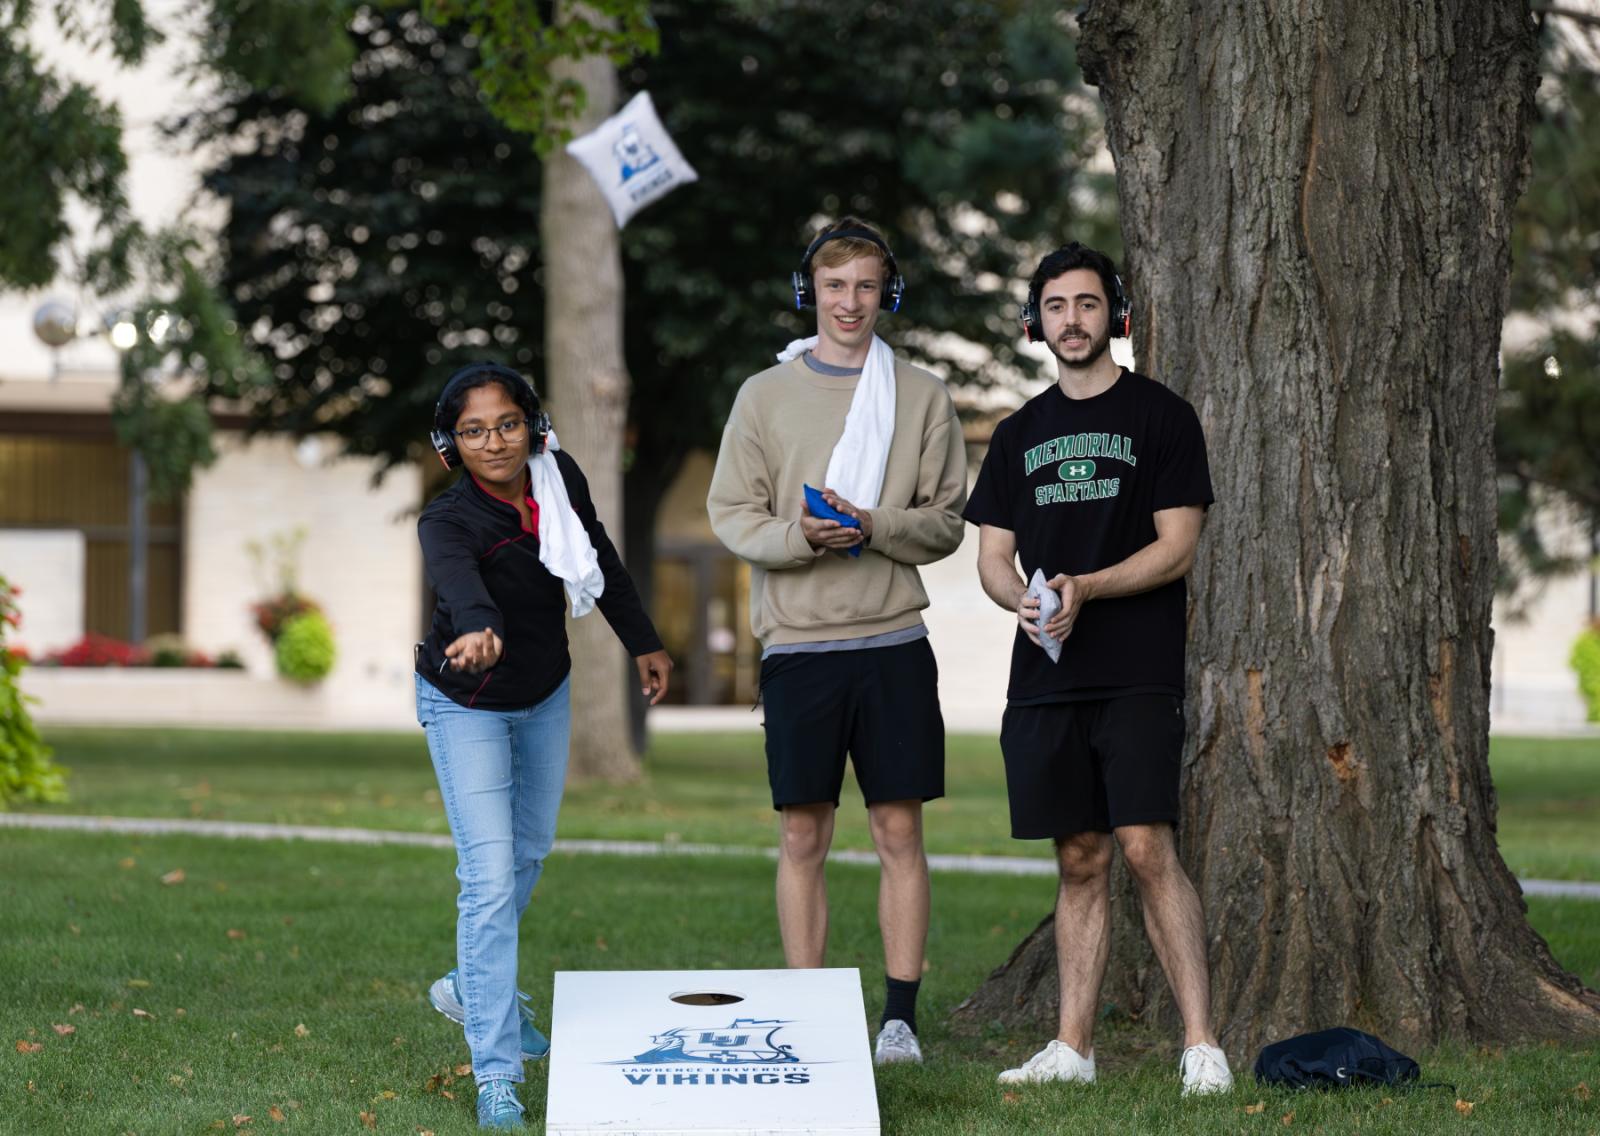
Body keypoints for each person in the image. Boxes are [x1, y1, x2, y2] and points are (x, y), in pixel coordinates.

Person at [962, 243, 1232, 1095]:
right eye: (1054, 307)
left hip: (1137, 669)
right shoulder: (1016, 435)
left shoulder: (1161, 417)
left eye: (1085, 305)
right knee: (1078, 856)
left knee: (1147, 845)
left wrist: (1088, 587)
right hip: (1044, 676)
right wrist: (1027, 601)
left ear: (1113, 314)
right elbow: (993, 561)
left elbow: (1178, 548)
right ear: (1033, 322)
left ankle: (1202, 1047)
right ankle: (1073, 1051)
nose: (1070, 321)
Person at [707, 217, 967, 1065]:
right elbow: (731, 513)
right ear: (807, 293)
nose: (848, 302)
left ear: (885, 294)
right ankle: (811, 1012)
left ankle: (899, 1019)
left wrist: (872, 525)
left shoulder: (923, 395)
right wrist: (799, 537)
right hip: (798, 647)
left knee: (898, 832)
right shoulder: (762, 396)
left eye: (864, 286)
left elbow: (946, 522)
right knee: (801, 837)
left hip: (891, 641)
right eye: (833, 286)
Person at [414, 361, 673, 1129]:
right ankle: (497, 1071)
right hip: (466, 700)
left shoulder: (557, 478)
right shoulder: (447, 519)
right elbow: (463, 588)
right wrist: (475, 632)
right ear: (450, 445)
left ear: (533, 426)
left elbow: (599, 555)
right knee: (488, 880)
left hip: (545, 692)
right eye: (472, 431)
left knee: (529, 852)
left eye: (506, 424)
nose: (492, 442)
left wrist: (643, 642)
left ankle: (470, 985)